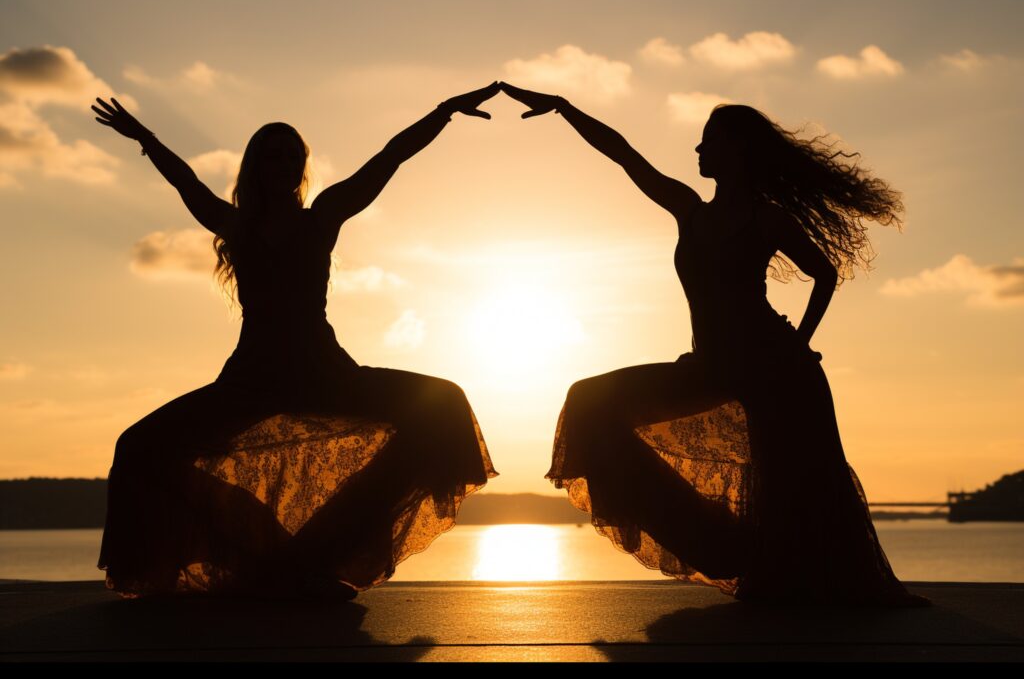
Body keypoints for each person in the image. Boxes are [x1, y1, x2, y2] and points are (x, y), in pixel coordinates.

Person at [500, 82, 929, 607]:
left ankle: (792, 587)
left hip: (776, 370)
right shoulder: (690, 209)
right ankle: (721, 547)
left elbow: (824, 273)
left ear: (738, 151)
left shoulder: (767, 217)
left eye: (708, 141)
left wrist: (799, 343)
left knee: (798, 489)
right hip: (712, 366)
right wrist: (566, 109)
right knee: (591, 401)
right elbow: (623, 155)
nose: (698, 151)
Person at [91, 85, 500, 599]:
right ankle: (262, 554)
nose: (282, 163)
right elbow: (185, 181)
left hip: (323, 371)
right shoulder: (235, 225)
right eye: (272, 154)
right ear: (255, 165)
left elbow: (388, 159)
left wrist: (443, 113)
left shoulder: (323, 217)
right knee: (138, 446)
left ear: (301, 166)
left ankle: (321, 552)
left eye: (292, 155)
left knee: (442, 405)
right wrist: (144, 137)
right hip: (250, 379)